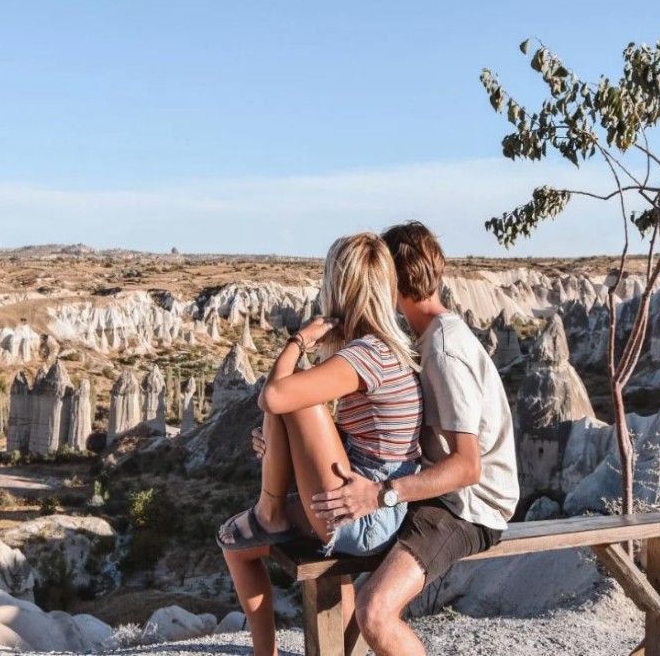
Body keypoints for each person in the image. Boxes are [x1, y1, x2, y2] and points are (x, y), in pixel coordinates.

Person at [307, 220, 519, 656]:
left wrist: (381, 495)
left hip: (470, 507)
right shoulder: (429, 338)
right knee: (338, 554)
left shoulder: (443, 350)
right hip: (439, 491)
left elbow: (467, 467)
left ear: (391, 283)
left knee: (375, 612)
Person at [217, 231, 424, 656]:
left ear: (338, 288)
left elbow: (273, 395)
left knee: (290, 393)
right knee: (235, 544)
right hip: (366, 499)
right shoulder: (382, 351)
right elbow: (346, 433)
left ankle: (269, 511)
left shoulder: (366, 355)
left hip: (366, 515)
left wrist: (301, 339)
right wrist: (279, 445)